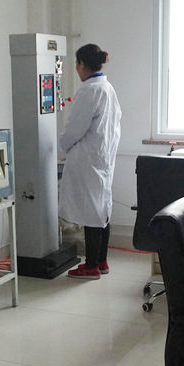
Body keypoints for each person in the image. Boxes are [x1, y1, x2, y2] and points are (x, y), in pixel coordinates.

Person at [58, 43, 122, 280]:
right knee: (102, 210)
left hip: (88, 159)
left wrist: (62, 146)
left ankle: (92, 266)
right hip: (102, 157)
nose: (76, 69)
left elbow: (75, 128)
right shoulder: (107, 87)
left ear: (82, 64)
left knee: (92, 212)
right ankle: (102, 261)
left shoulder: (89, 90)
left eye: (76, 64)